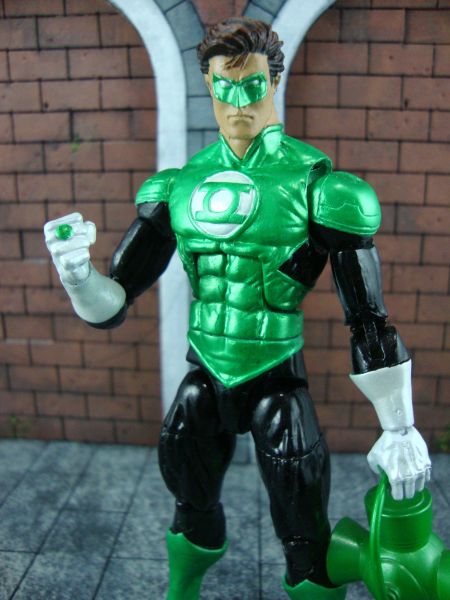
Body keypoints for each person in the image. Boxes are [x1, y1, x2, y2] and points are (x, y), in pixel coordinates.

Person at [44, 18, 431, 600]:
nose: (239, 103)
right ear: (208, 84)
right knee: (189, 500)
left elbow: (368, 318)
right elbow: (113, 303)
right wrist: (78, 276)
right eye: (225, 88)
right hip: (205, 372)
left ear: (273, 81)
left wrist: (399, 426)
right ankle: (182, 590)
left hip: (277, 375)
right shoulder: (178, 186)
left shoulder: (321, 187)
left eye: (252, 86)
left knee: (303, 526)